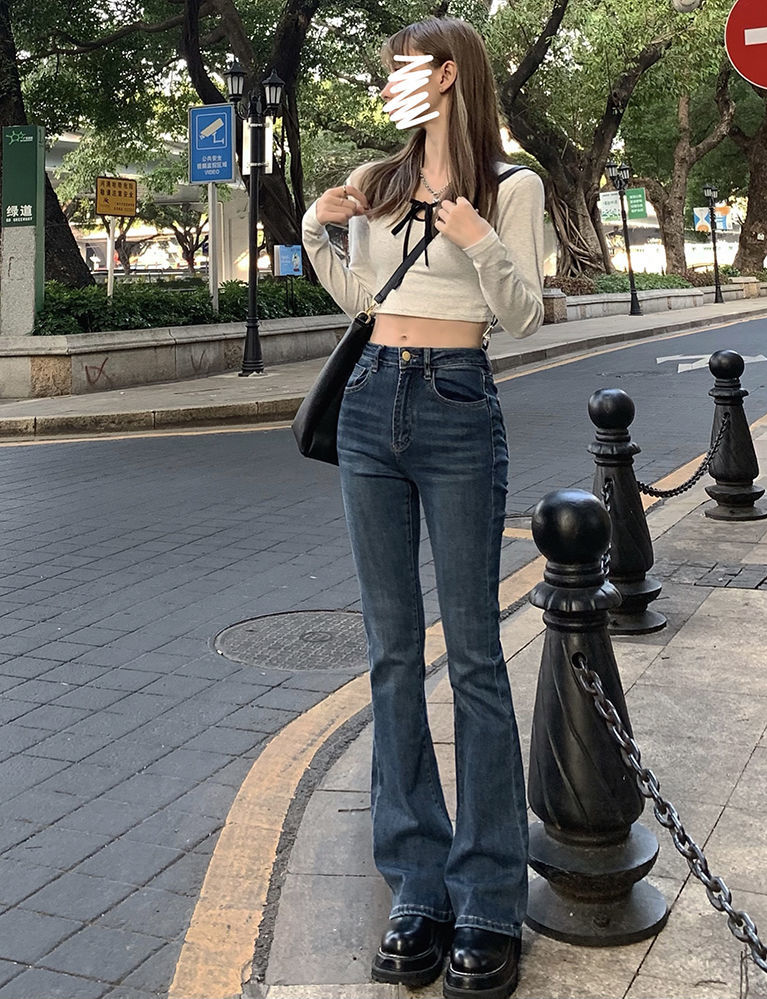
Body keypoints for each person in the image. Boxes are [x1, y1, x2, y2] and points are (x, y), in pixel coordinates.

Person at [301, 16, 544, 999]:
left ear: (445, 76)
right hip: (369, 405)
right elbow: (361, 299)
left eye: (401, 68)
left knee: (475, 656)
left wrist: (475, 235)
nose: (388, 81)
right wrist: (318, 229)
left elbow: (520, 313)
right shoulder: (377, 178)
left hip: (455, 401)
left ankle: (486, 895)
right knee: (392, 653)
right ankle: (415, 884)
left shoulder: (511, 184)